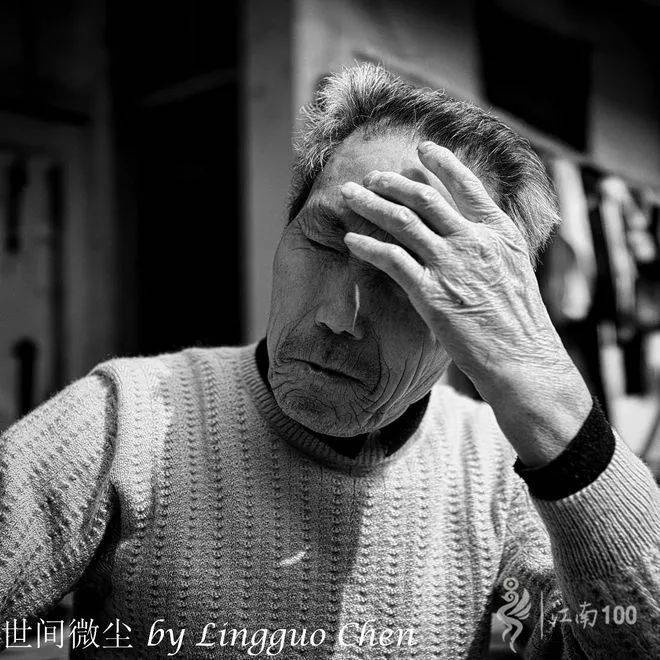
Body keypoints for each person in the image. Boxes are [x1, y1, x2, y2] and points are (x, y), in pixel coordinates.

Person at [0, 63, 658, 659]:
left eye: (403, 273)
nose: (338, 317)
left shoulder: (499, 476)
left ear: (483, 309)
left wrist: (554, 404)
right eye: (325, 240)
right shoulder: (129, 420)